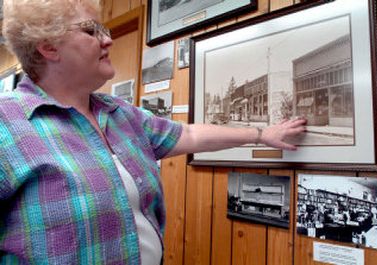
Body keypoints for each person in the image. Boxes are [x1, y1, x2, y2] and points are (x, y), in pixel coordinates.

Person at [0, 0, 307, 264]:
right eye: (91, 31)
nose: (107, 40)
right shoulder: (8, 122)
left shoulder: (119, 114)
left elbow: (189, 135)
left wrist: (261, 134)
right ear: (49, 47)